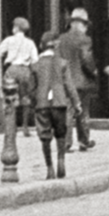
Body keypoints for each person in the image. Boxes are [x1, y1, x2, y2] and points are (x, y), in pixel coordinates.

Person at [30, 30, 82, 180]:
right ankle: (61, 161)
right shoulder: (62, 63)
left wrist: (34, 101)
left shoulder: (35, 66)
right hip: (59, 102)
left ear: (41, 46)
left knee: (45, 136)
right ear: (55, 47)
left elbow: (31, 88)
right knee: (61, 133)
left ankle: (49, 168)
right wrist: (76, 103)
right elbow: (69, 85)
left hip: (42, 104)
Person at [0, 16, 40, 137]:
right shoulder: (30, 43)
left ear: (17, 28)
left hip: (12, 69)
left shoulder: (9, 40)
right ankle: (25, 127)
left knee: (10, 99)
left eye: (14, 26)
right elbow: (35, 60)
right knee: (25, 99)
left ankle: (11, 126)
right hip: (25, 70)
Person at [57, 8, 97, 151]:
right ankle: (84, 140)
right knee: (83, 111)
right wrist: (94, 71)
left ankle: (66, 142)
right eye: (86, 24)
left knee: (67, 111)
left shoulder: (61, 39)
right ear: (82, 24)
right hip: (81, 81)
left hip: (65, 81)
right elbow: (86, 59)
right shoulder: (85, 39)